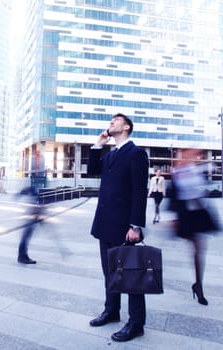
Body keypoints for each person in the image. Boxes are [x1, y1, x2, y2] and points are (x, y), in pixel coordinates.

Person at [87, 113, 149, 342]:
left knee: (131, 276)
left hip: (125, 227)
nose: (111, 122)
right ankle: (112, 310)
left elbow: (139, 192)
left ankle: (136, 323)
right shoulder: (112, 154)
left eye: (116, 120)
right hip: (105, 224)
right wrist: (98, 145)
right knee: (109, 272)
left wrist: (136, 225)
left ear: (126, 127)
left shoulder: (136, 154)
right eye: (110, 121)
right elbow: (92, 170)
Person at [169, 148, 222, 306]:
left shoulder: (197, 170)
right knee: (195, 248)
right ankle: (197, 284)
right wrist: (172, 217)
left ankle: (198, 285)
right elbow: (173, 195)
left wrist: (208, 169)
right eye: (189, 154)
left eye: (195, 154)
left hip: (199, 213)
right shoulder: (176, 171)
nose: (193, 157)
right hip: (185, 215)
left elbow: (205, 185)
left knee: (199, 250)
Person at [17, 186, 44, 264]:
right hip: (30, 219)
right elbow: (34, 207)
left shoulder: (34, 191)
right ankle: (22, 257)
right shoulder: (34, 190)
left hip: (31, 219)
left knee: (25, 238)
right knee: (25, 238)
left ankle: (23, 256)